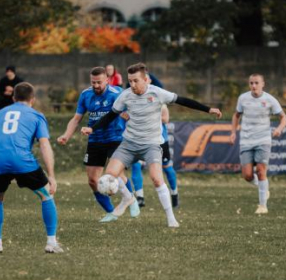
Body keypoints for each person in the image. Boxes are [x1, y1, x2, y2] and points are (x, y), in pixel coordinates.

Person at [82, 63, 221, 228]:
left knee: (156, 178)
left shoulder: (157, 93)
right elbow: (111, 115)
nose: (132, 85)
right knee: (109, 176)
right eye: (130, 81)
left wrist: (208, 109)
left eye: (135, 81)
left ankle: (171, 218)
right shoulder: (125, 95)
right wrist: (92, 128)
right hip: (129, 144)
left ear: (145, 80)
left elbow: (183, 101)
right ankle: (128, 198)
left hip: (151, 145)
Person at [0, 82, 63, 254]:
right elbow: (44, 144)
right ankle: (51, 243)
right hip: (22, 161)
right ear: (32, 100)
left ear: (13, 98)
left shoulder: (0, 114)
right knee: (46, 194)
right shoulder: (36, 115)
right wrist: (51, 175)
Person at [57, 67, 139, 223]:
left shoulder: (117, 94)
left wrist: (130, 121)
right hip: (95, 140)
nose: (96, 85)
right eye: (93, 82)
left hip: (115, 138)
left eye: (99, 82)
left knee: (117, 174)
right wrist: (66, 135)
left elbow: (131, 114)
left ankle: (131, 199)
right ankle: (111, 212)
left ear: (107, 80)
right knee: (93, 180)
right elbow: (76, 119)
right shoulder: (85, 95)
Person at [229, 74, 286, 215]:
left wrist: (279, 129)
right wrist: (233, 132)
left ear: (263, 84)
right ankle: (263, 188)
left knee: (261, 171)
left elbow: (284, 117)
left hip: (263, 140)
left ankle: (263, 206)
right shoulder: (243, 98)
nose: (253, 86)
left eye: (256, 83)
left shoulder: (269, 99)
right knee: (247, 175)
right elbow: (236, 115)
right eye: (251, 83)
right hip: (246, 140)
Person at [131, 105, 178, 208]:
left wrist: (149, 116)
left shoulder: (161, 103)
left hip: (160, 141)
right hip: (140, 140)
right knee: (136, 165)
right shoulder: (134, 101)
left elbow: (166, 119)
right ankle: (140, 198)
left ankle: (174, 195)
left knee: (167, 169)